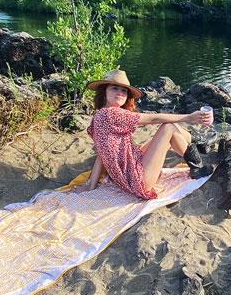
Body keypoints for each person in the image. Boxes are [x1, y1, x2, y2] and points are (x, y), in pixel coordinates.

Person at [81, 69, 214, 199]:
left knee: (170, 129)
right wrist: (189, 117)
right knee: (168, 128)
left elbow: (101, 155)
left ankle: (196, 143)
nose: (120, 93)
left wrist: (91, 185)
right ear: (104, 92)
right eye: (114, 88)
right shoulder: (111, 113)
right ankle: (196, 164)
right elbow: (153, 119)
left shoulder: (98, 116)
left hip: (126, 175)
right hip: (139, 181)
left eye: (124, 90)